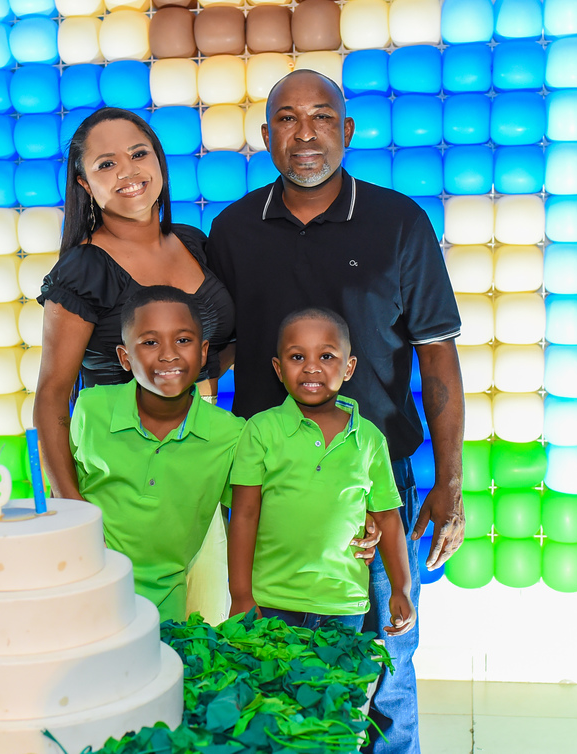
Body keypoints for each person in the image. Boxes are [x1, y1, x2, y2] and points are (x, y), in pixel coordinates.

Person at [207, 70, 466, 754]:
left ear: (346, 130)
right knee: (272, 661)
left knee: (384, 660)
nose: (305, 134)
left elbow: (438, 356)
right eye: (287, 119)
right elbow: (212, 354)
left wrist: (450, 482)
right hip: (267, 487)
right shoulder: (232, 230)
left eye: (321, 116)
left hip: (371, 487)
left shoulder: (400, 223)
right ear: (267, 135)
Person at [34, 107, 235, 621]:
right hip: (124, 482)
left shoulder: (194, 244)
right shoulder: (82, 269)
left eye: (139, 153)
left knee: (205, 631)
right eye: (106, 164)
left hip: (200, 466)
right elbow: (52, 395)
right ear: (84, 184)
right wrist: (72, 508)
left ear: (160, 161)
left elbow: (218, 347)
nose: (128, 171)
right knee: (134, 633)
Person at [227, 308, 415, 638]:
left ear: (349, 367)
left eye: (326, 356)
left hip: (343, 606)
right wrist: (241, 594)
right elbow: (244, 514)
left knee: (341, 674)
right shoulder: (260, 430)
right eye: (297, 356)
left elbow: (387, 517)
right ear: (278, 369)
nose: (311, 367)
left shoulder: (370, 439)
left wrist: (401, 589)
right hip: (272, 602)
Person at [67, 286, 244, 622]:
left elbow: (261, 511)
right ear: (125, 357)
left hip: (165, 613)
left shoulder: (230, 434)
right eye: (150, 342)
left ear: (203, 352)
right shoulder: (91, 408)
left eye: (183, 340)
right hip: (81, 598)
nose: (168, 355)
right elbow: (61, 499)